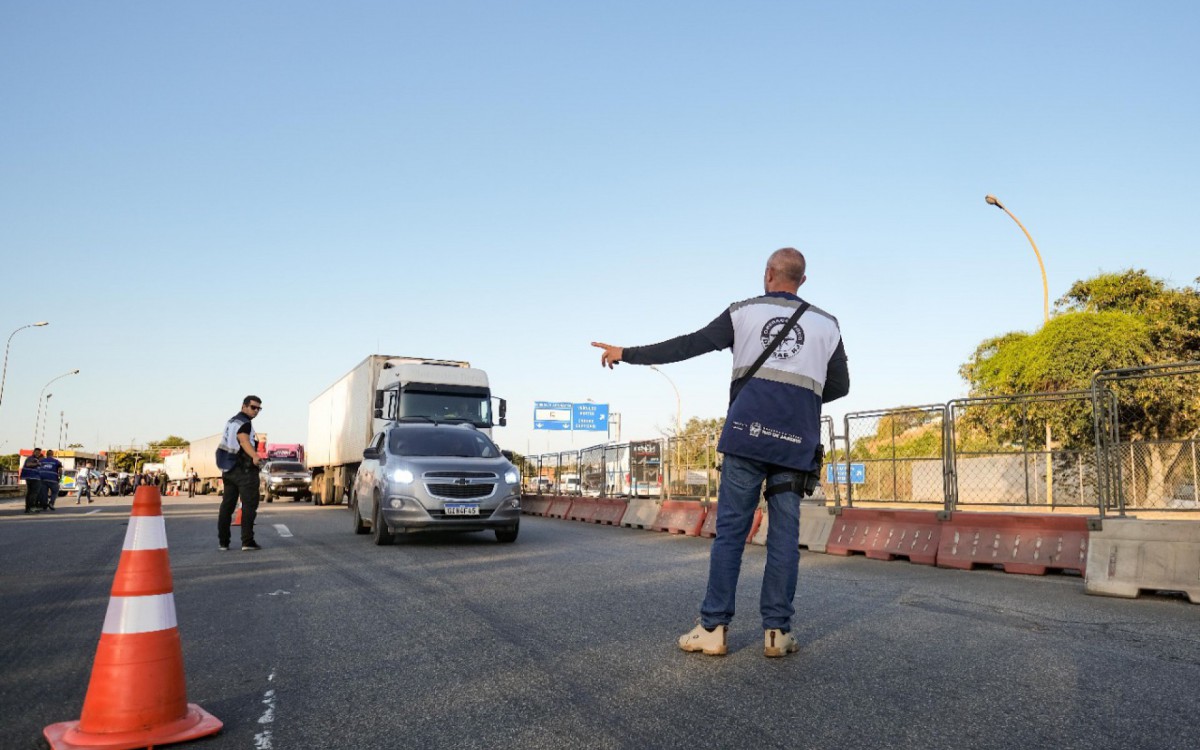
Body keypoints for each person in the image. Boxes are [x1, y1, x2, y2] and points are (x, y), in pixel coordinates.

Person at [591, 248, 849, 658]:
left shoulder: (742, 312)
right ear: (802, 279)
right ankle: (777, 634)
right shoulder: (826, 325)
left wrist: (628, 354)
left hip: (746, 437)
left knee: (731, 532)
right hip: (794, 444)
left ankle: (713, 629)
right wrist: (799, 401)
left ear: (768, 274)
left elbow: (689, 345)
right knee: (784, 536)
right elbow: (839, 386)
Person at [217, 395, 264, 551]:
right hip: (243, 469)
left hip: (228, 468)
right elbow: (243, 440)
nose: (256, 411)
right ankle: (247, 542)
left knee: (227, 506)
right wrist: (255, 456)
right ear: (244, 406)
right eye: (253, 407)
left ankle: (223, 543)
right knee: (249, 505)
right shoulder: (245, 423)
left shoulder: (231, 421)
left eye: (259, 408)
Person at [21, 448, 43, 514]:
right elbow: (28, 464)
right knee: (34, 493)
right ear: (33, 452)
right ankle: (31, 507)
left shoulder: (36, 459)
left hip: (33, 477)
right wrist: (37, 464)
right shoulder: (31, 458)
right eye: (36, 452)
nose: (37, 453)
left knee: (30, 493)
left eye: (39, 453)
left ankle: (28, 508)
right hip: (33, 478)